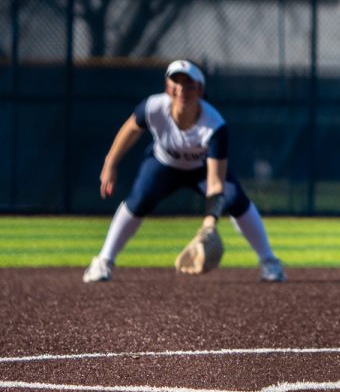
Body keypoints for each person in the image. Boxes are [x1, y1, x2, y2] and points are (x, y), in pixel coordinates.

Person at [82, 59, 286, 283]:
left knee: (236, 199)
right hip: (163, 164)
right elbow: (131, 129)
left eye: (189, 85)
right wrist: (110, 163)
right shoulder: (153, 107)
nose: (181, 90)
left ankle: (270, 262)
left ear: (200, 90)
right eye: (175, 83)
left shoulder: (214, 125)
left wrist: (209, 225)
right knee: (138, 201)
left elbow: (216, 182)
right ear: (167, 87)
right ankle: (103, 261)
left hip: (201, 170)